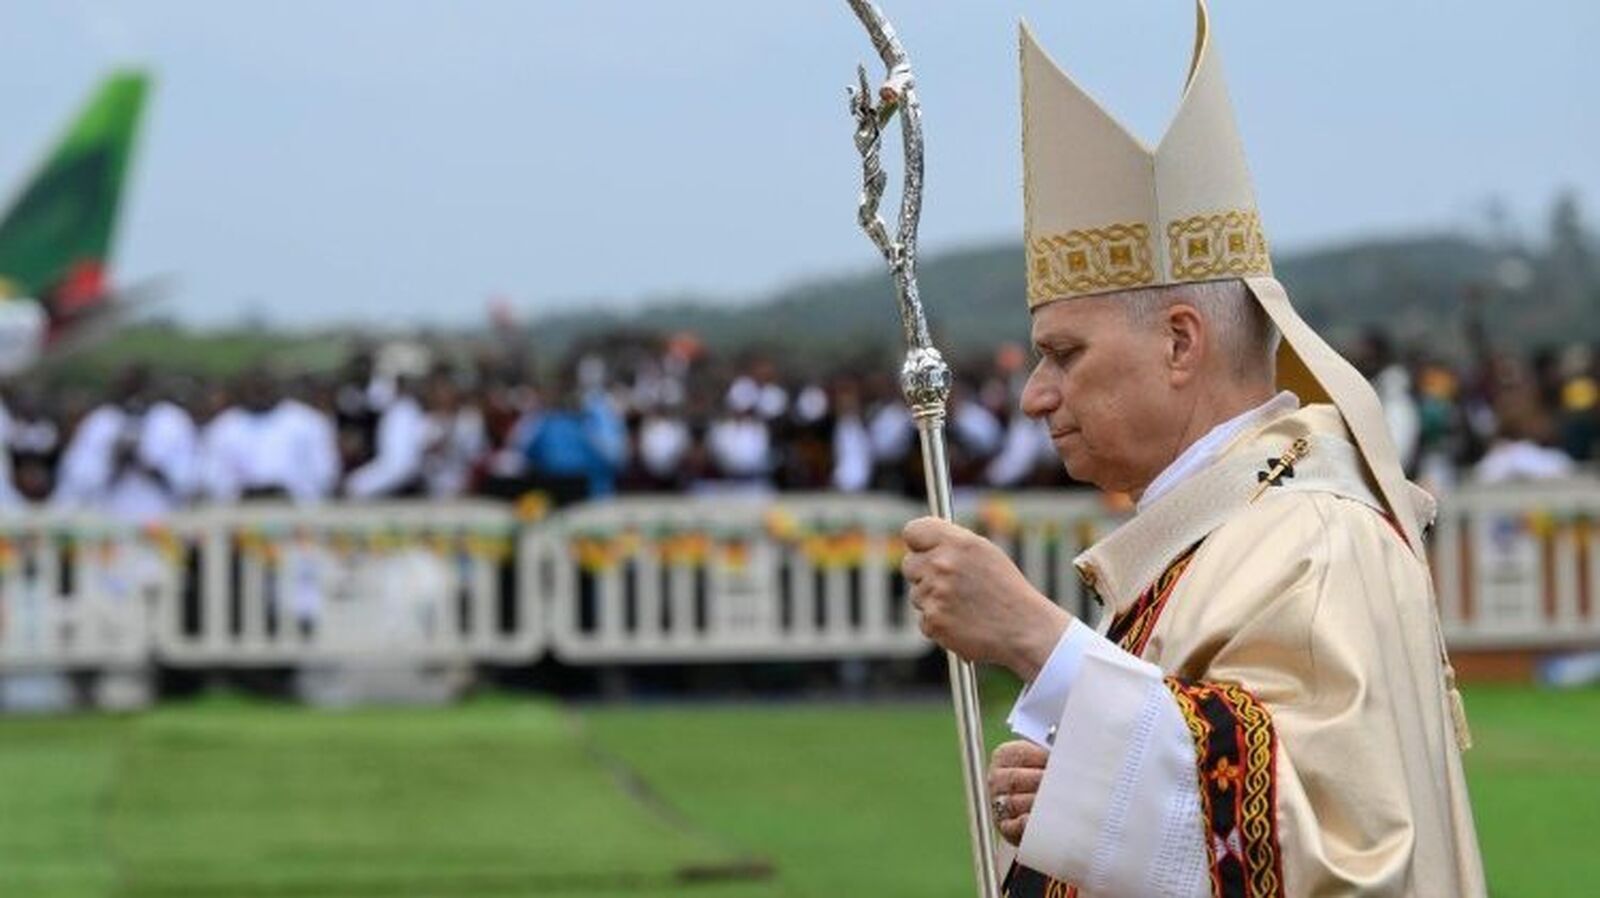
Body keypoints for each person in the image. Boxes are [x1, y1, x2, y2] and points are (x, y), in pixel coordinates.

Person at [898, 4, 1485, 895]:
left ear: (1180, 342)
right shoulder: (1213, 534)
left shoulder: (1317, 539)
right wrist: (1077, 789)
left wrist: (1036, 640)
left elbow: (1331, 857)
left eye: (1065, 354)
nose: (1034, 395)